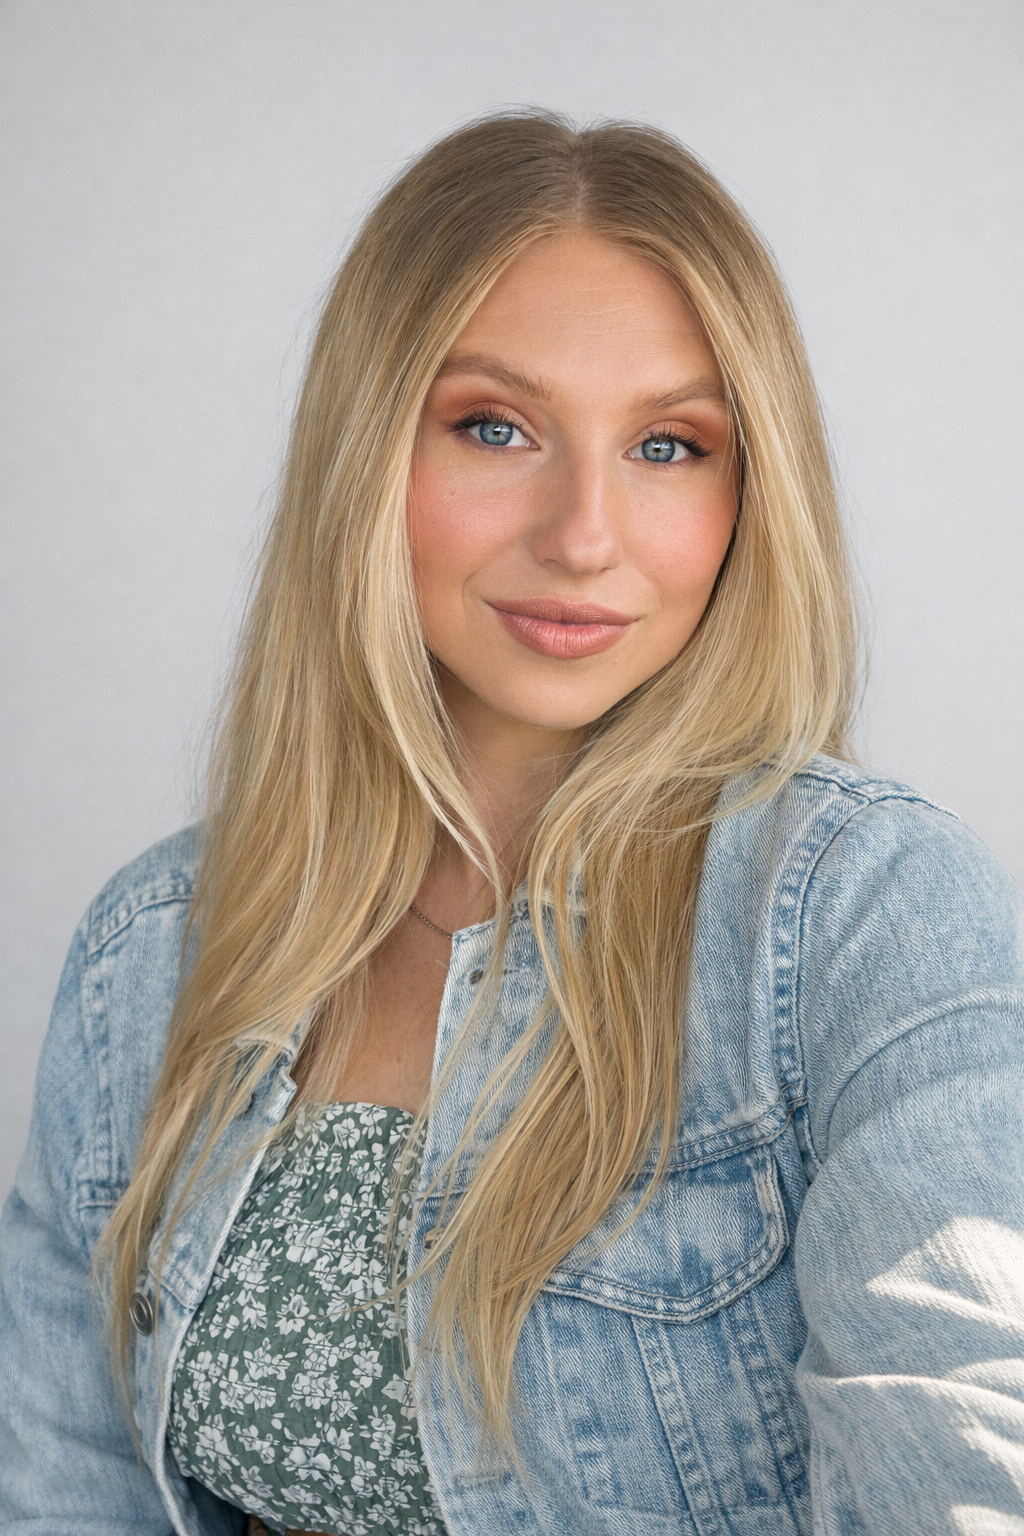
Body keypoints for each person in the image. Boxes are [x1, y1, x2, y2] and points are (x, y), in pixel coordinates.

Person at [1, 110, 1022, 1536]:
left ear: (750, 497)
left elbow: (963, 1479)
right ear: (368, 451)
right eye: (495, 427)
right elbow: (69, 1486)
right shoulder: (155, 952)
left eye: (668, 445)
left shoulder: (860, 916)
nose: (583, 533)